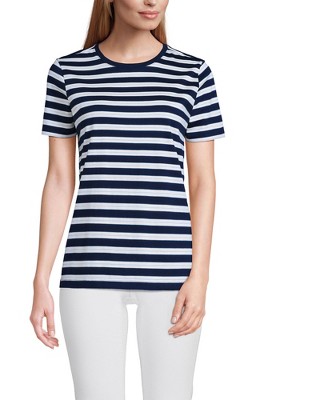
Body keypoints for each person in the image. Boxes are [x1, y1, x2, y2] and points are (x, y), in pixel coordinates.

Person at [30, 0, 226, 399]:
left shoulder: (193, 73)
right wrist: (40, 278)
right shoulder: (68, 72)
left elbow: (203, 182)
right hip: (89, 271)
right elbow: (59, 180)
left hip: (172, 272)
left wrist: (200, 275)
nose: (152, 2)